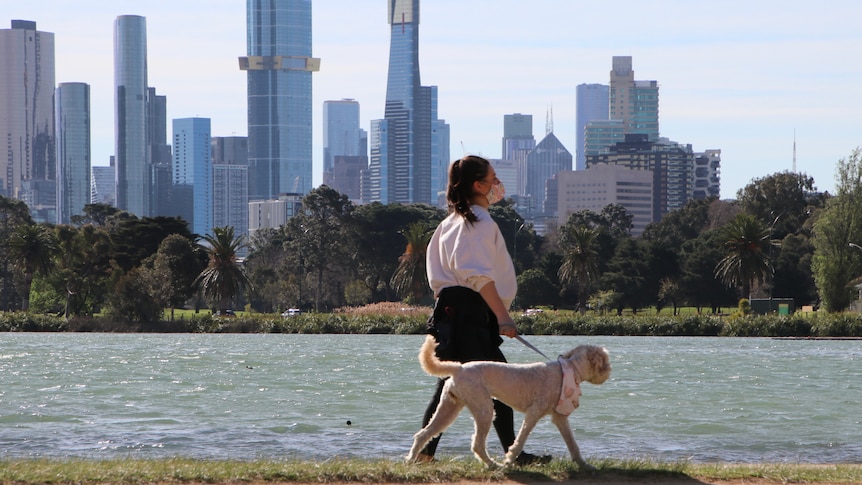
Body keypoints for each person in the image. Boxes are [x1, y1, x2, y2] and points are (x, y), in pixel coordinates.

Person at [416, 155, 551, 465]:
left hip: (452, 311)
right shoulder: (478, 222)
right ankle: (513, 456)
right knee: (498, 382)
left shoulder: (448, 223)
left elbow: (444, 280)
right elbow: (478, 277)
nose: (498, 185)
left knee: (450, 386)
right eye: (493, 179)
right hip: (469, 311)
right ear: (478, 185)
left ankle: (425, 454)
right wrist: (502, 316)